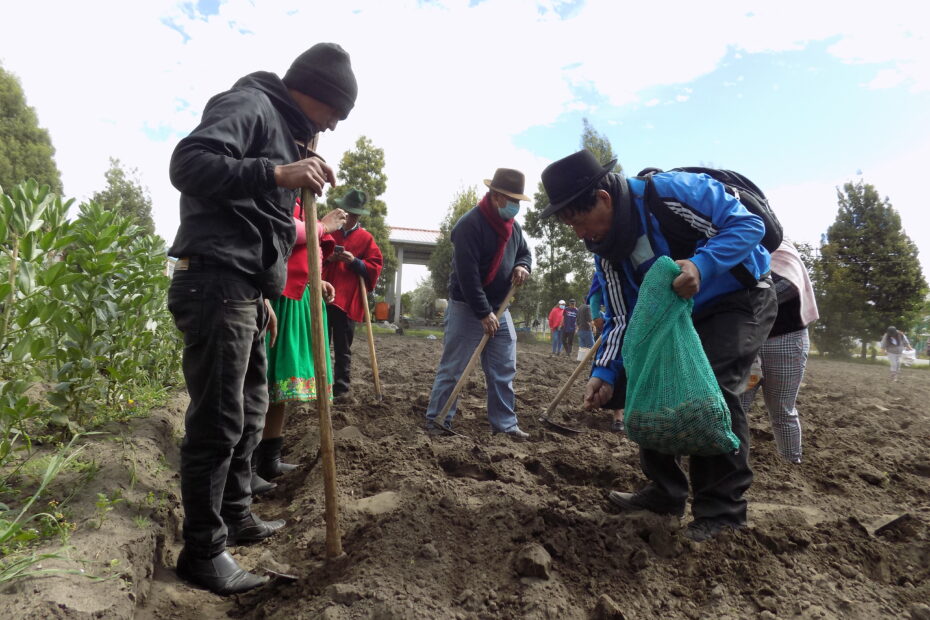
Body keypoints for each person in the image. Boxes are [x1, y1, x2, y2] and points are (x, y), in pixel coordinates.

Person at [166, 42, 358, 594]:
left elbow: (259, 223)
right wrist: (277, 173)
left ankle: (237, 514)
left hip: (245, 289)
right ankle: (203, 551)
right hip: (216, 282)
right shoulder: (249, 104)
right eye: (335, 115)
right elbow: (188, 164)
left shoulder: (284, 126)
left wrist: (266, 288)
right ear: (315, 96)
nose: (332, 127)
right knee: (219, 420)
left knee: (251, 407)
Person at [540, 150, 776, 542]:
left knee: (712, 388)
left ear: (604, 199)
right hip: (675, 311)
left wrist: (702, 265)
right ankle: (665, 493)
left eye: (579, 222)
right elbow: (619, 318)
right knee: (644, 379)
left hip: (737, 298)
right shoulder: (608, 256)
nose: (580, 234)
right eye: (571, 227)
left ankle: (722, 513)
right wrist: (605, 372)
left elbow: (748, 225)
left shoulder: (672, 193)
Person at [424, 168, 532, 439]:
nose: (516, 206)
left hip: (500, 307)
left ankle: (505, 425)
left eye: (519, 200)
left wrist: (522, 266)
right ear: (496, 196)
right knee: (454, 369)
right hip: (467, 306)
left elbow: (525, 253)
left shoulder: (513, 229)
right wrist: (484, 312)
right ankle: (438, 421)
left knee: (503, 369)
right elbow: (467, 275)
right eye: (512, 199)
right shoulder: (469, 225)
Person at [251, 202, 346, 496]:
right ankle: (249, 465)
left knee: (278, 388)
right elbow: (284, 233)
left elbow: (302, 254)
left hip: (300, 295)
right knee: (263, 385)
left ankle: (270, 459)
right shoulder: (277, 196)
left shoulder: (301, 203)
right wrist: (323, 226)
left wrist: (317, 281)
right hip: (279, 297)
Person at [739, 240, 818, 464]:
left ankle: (791, 466)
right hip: (746, 341)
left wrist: (743, 302)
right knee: (736, 408)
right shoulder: (735, 247)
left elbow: (790, 287)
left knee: (782, 411)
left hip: (785, 339)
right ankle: (732, 466)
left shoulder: (780, 248)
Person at [321, 188, 384, 399]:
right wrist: (329, 258)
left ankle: (341, 389)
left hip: (347, 301)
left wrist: (355, 262)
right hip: (323, 296)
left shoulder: (366, 239)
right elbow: (312, 255)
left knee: (342, 348)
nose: (349, 218)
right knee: (320, 344)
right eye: (347, 213)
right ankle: (319, 386)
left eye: (354, 215)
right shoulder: (328, 231)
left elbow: (375, 266)